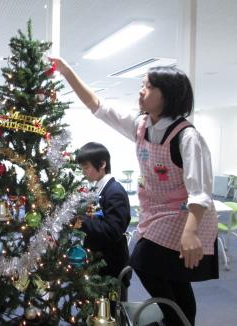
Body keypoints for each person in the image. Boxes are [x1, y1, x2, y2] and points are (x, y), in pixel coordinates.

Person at [52, 57, 218, 326]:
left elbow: (200, 191)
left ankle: (177, 320)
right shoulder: (142, 126)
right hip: (155, 214)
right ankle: (179, 320)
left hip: (184, 215)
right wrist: (67, 72)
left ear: (169, 95)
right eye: (142, 85)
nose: (141, 91)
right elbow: (97, 106)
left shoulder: (186, 137)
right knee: (172, 280)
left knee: (142, 262)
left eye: (149, 87)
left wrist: (191, 232)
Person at [76, 142, 131, 301]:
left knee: (112, 315)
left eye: (86, 167)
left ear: (102, 164)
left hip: (111, 269)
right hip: (99, 267)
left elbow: (112, 231)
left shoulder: (114, 192)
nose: (84, 172)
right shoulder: (99, 189)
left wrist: (82, 220)